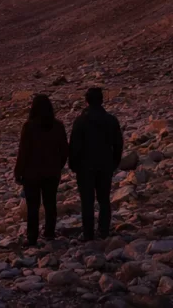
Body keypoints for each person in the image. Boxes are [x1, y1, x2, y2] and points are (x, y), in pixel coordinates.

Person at [68, 87, 124, 241]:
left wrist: (73, 164)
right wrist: (114, 162)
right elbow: (118, 144)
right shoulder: (111, 120)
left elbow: (74, 145)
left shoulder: (81, 121)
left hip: (85, 166)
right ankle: (104, 230)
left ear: (86, 101)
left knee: (87, 201)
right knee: (104, 199)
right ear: (101, 100)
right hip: (105, 164)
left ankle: (88, 233)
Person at [14, 94, 69, 246]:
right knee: (50, 203)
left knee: (33, 206)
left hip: (32, 174)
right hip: (52, 172)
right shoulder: (57, 126)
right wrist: (58, 165)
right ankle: (49, 233)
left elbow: (23, 152)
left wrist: (18, 172)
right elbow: (64, 149)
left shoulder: (29, 126)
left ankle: (32, 237)